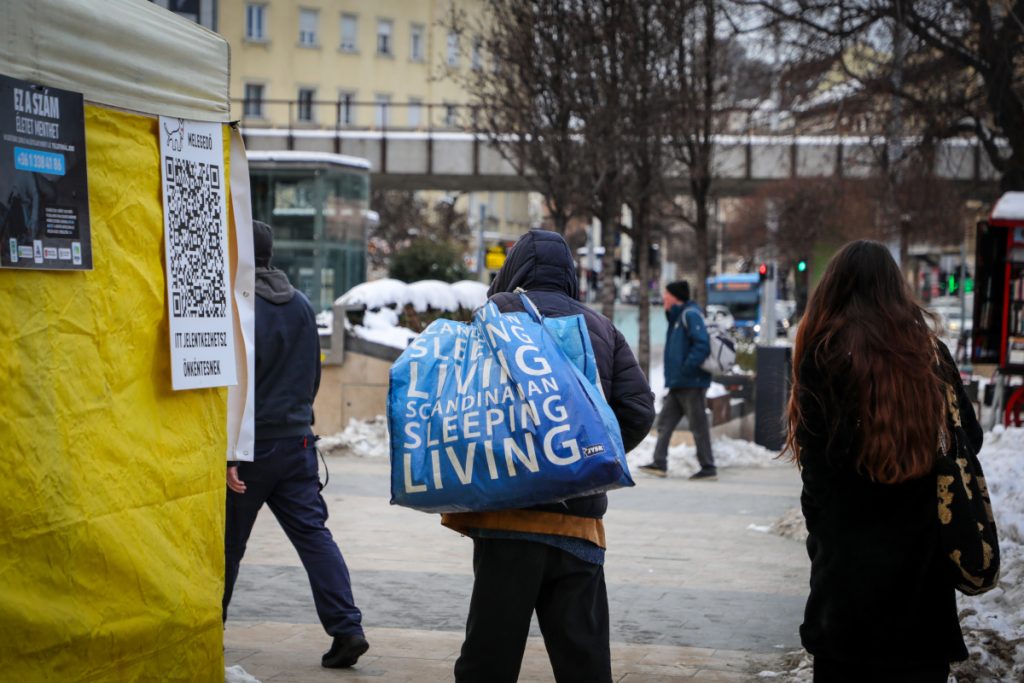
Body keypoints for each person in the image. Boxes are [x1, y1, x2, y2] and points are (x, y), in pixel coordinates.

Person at [441, 229, 655, 683]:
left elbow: (460, 402)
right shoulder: (601, 327)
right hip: (578, 522)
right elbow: (637, 411)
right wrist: (586, 460)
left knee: (488, 659)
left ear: (513, 269)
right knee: (584, 661)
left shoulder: (492, 318)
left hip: (507, 518)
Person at [787, 240, 980, 682]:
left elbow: (816, 472)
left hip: (845, 582)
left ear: (833, 291)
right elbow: (969, 439)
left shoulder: (822, 357)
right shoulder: (930, 358)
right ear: (896, 291)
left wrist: (824, 536)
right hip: (921, 578)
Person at [222, 220, 368, 669]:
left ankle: (208, 627)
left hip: (250, 448)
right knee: (314, 537)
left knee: (227, 545)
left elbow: (235, 383)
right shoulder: (301, 304)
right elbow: (313, 373)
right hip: (298, 442)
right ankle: (348, 629)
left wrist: (230, 452)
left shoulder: (239, 306)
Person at [639, 280, 716, 480]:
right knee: (664, 422)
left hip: (691, 382)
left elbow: (702, 345)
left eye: (666, 294)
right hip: (679, 382)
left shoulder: (690, 314)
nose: (663, 297)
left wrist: (686, 368)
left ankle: (708, 467)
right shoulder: (677, 317)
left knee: (698, 426)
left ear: (675, 297)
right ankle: (659, 463)